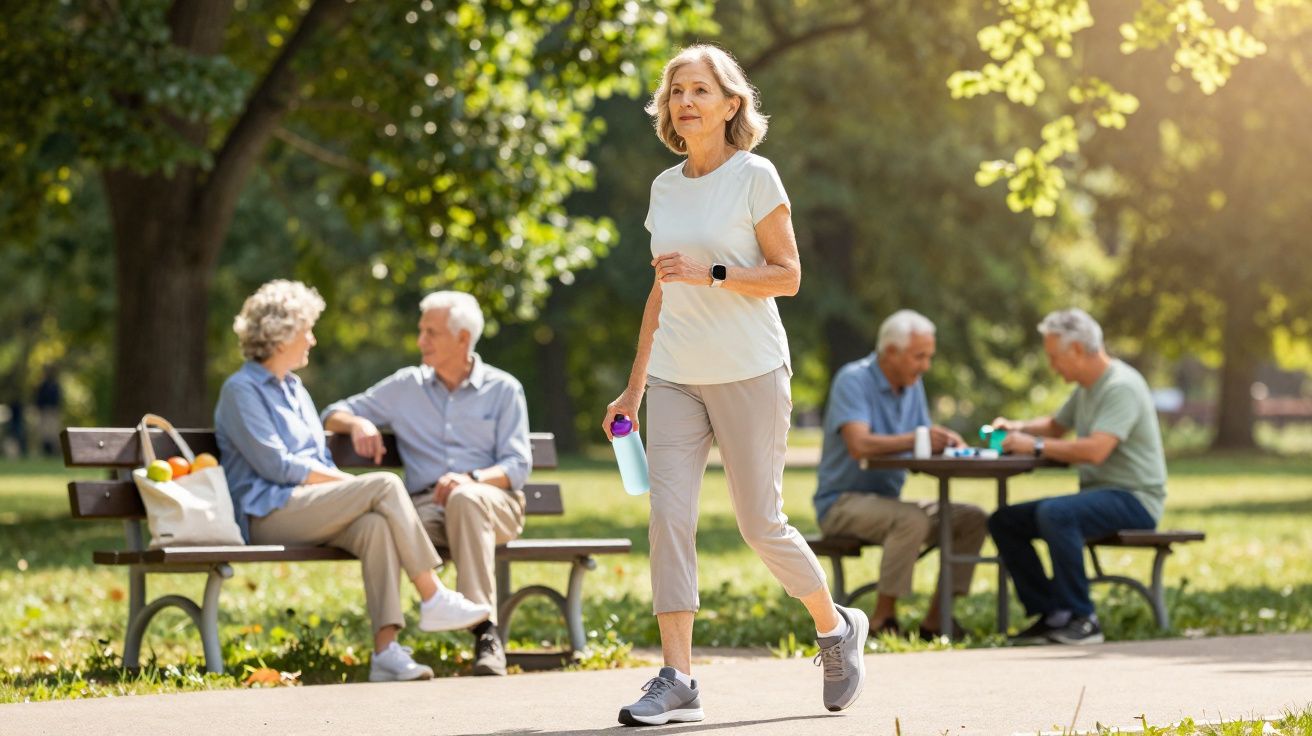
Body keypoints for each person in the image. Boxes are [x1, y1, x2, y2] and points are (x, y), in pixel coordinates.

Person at [603, 44, 868, 727]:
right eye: (675, 92)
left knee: (759, 523)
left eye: (699, 89)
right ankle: (678, 678)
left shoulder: (757, 176)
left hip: (750, 369)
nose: (684, 101)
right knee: (669, 518)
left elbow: (787, 276)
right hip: (674, 377)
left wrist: (715, 271)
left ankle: (835, 627)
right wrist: (633, 388)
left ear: (730, 104)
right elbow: (661, 292)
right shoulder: (665, 188)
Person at [215, 279, 491, 683]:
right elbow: (277, 465)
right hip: (266, 512)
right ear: (282, 334)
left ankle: (386, 652)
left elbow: (316, 459)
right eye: (306, 329)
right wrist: (351, 485)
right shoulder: (240, 390)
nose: (311, 338)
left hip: (308, 507)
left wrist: (346, 490)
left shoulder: (294, 389)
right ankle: (432, 595)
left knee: (374, 526)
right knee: (383, 485)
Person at [322, 290, 532, 677]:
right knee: (382, 524)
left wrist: (470, 479)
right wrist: (358, 422)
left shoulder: (504, 389)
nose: (421, 341)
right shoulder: (406, 386)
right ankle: (392, 649)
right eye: (421, 331)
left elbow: (517, 465)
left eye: (431, 332)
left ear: (463, 338)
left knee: (466, 500)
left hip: (492, 504)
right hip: (425, 513)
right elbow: (333, 413)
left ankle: (485, 632)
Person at [988, 308, 1168, 646]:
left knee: (1056, 513)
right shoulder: (1087, 388)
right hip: (1102, 495)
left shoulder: (1121, 386)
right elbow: (1056, 425)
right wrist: (1017, 427)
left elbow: (1096, 450)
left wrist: (1035, 445)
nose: (1053, 365)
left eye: (1055, 357)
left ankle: (1082, 618)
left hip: (1135, 499)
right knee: (1004, 521)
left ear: (1077, 350)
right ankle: (1052, 615)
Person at [812, 310, 982, 640]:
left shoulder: (912, 385)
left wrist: (942, 444)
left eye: (928, 356)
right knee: (911, 520)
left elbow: (918, 443)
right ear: (891, 351)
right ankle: (882, 620)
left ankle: (937, 621)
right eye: (919, 356)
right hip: (842, 504)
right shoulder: (854, 379)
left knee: (971, 518)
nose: (925, 366)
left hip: (888, 503)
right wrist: (920, 438)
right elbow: (859, 444)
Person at [34, 366, 62, 457]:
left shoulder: (55, 385)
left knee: (53, 432)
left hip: (53, 410)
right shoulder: (43, 385)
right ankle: (46, 451)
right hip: (45, 410)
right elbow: (39, 398)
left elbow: (58, 399)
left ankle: (53, 452)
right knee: (45, 433)